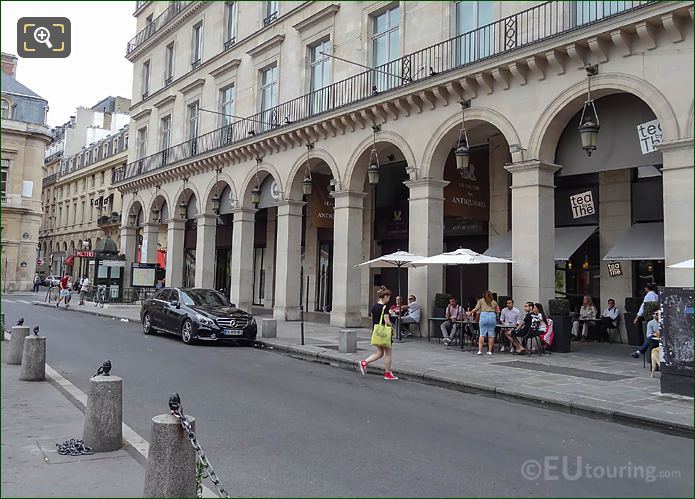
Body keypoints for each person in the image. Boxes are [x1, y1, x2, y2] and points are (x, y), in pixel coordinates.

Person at [359, 286, 398, 380]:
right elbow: (386, 320)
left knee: (379, 352)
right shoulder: (384, 307)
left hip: (376, 331)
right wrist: (393, 328)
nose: (389, 299)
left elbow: (375, 318)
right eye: (388, 297)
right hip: (384, 332)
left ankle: (364, 362)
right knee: (388, 353)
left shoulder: (374, 306)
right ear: (385, 296)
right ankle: (387, 373)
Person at [472, 290, 500, 355]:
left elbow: (476, 309)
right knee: (491, 335)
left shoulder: (481, 301)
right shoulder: (494, 302)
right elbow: (498, 310)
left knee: (482, 334)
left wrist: (470, 313)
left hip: (483, 316)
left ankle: (480, 351)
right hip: (492, 316)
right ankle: (490, 351)